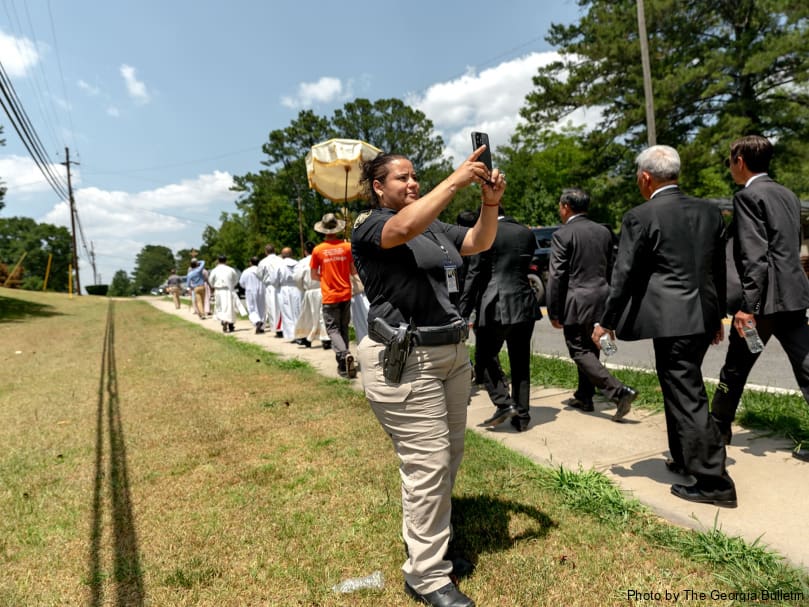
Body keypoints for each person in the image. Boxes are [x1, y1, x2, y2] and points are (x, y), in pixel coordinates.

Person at [352, 145, 505, 607]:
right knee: (428, 464)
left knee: (448, 456)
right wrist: (457, 180)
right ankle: (425, 575)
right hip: (405, 358)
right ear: (378, 187)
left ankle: (428, 545)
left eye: (415, 176)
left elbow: (479, 241)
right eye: (402, 178)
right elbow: (404, 227)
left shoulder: (432, 223)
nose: (412, 182)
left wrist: (490, 203)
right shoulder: (370, 225)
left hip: (450, 353)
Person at [592, 145, 736, 508]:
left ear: (645, 177)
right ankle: (685, 457)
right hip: (702, 315)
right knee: (679, 388)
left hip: (671, 321)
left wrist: (605, 322)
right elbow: (717, 269)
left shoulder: (640, 216)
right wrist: (718, 315)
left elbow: (622, 274)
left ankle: (714, 481)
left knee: (686, 395)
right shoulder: (710, 212)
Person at [710, 135, 809, 460]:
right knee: (806, 364)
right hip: (793, 298)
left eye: (730, 160)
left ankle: (716, 433)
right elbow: (790, 247)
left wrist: (746, 308)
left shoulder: (748, 197)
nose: (730, 166)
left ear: (740, 161)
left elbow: (755, 256)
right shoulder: (788, 195)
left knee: (735, 369)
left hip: (762, 305)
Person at [545, 188, 637, 420]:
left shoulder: (562, 235)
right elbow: (612, 267)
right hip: (602, 296)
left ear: (566, 206)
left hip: (577, 300)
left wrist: (553, 310)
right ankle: (584, 396)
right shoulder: (603, 231)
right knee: (592, 348)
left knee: (578, 350)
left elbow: (556, 276)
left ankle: (618, 391)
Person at [459, 206, 542, 432]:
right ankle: (522, 417)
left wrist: (463, 310)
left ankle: (504, 403)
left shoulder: (487, 231)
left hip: (494, 302)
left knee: (484, 358)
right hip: (525, 302)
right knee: (520, 361)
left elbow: (474, 273)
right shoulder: (526, 233)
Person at [311, 213, 358, 379]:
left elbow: (313, 275)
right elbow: (353, 271)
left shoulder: (318, 250)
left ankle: (344, 355)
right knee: (343, 328)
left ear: (323, 230)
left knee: (332, 329)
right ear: (337, 229)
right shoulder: (347, 247)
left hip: (330, 295)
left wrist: (326, 277)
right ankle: (343, 365)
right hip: (346, 293)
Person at [293, 241, 328, 348]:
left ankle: (307, 338)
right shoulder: (323, 258)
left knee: (308, 316)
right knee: (323, 315)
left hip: (310, 291)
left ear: (305, 251)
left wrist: (302, 289)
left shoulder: (302, 262)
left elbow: (297, 278)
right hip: (323, 289)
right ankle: (326, 339)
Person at [272, 247, 302, 340]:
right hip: (297, 288)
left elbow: (274, 280)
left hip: (284, 289)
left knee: (287, 312)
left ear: (282, 255)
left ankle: (291, 335)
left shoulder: (279, 264)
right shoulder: (298, 263)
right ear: (292, 254)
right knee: (298, 311)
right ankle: (300, 333)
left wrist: (278, 287)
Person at [208, 255, 240, 333]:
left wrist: (213, 286)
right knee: (229, 307)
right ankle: (230, 323)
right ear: (226, 261)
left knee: (220, 307)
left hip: (218, 290)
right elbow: (236, 279)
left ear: (218, 261)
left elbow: (211, 280)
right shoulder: (230, 269)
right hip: (228, 290)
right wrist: (232, 285)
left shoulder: (214, 270)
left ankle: (223, 320)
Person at [258, 244, 283, 337]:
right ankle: (283, 327)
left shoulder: (263, 262)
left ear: (266, 252)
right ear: (274, 250)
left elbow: (259, 275)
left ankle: (277, 328)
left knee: (272, 308)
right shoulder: (280, 260)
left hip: (269, 286)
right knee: (281, 307)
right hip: (280, 286)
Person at [239, 256, 268, 334]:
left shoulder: (246, 271)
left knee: (252, 308)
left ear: (250, 263)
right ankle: (262, 327)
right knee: (262, 308)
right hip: (262, 291)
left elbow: (241, 283)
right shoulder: (263, 270)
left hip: (250, 291)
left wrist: (246, 286)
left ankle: (257, 321)